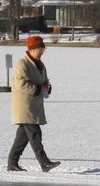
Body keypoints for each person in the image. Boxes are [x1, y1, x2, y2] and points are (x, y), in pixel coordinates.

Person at [7, 35, 61, 172]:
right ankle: (44, 163)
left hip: (35, 105)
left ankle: (12, 163)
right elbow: (20, 84)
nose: (42, 52)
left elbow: (45, 80)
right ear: (31, 49)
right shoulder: (22, 64)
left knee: (22, 137)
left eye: (43, 49)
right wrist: (39, 89)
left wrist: (47, 87)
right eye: (40, 49)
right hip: (25, 106)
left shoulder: (40, 65)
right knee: (35, 134)